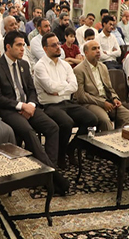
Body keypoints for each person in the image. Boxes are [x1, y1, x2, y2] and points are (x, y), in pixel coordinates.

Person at [0, 31, 67, 191]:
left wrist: (30, 105)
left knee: (52, 127)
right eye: (18, 45)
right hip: (8, 110)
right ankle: (53, 176)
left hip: (28, 106)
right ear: (8, 47)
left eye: (23, 45)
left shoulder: (24, 64)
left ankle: (47, 170)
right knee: (29, 132)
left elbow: (31, 90)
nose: (23, 49)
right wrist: (21, 106)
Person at [34, 32, 97, 169]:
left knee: (91, 119)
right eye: (54, 45)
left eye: (58, 43)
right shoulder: (40, 66)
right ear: (45, 48)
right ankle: (60, 155)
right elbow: (50, 87)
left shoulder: (65, 65)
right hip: (49, 105)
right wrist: (64, 86)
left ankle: (71, 148)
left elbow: (74, 87)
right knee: (66, 123)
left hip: (67, 103)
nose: (58, 47)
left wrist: (58, 90)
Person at [73, 40, 129, 131]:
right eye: (94, 49)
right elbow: (81, 96)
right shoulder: (79, 70)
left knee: (128, 116)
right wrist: (102, 103)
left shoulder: (103, 67)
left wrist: (115, 98)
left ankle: (119, 137)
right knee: (105, 120)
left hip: (106, 100)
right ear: (86, 53)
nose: (98, 51)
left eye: (99, 48)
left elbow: (109, 88)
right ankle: (108, 139)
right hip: (90, 103)